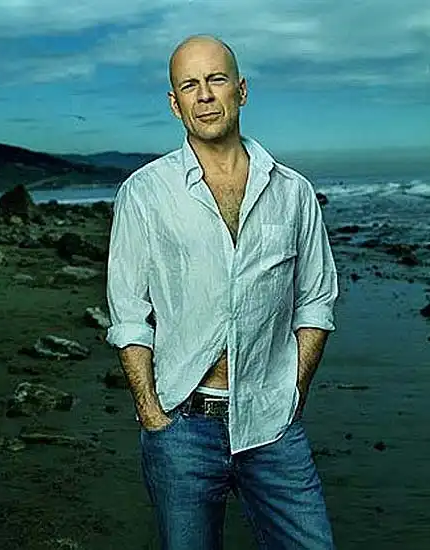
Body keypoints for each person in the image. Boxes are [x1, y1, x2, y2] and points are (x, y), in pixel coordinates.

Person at [106, 34, 339, 550]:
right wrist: (150, 411)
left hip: (272, 423)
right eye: (190, 85)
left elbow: (316, 301)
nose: (205, 95)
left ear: (242, 89)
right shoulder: (144, 193)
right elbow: (128, 313)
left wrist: (294, 391)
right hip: (181, 427)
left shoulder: (293, 192)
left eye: (216, 79)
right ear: (175, 103)